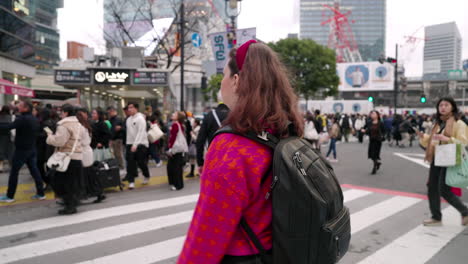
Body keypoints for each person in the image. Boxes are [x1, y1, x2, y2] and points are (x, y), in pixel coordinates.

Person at [178, 40, 304, 263]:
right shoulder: (285, 130)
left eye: (224, 75)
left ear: (236, 80)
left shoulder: (231, 147)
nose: (222, 82)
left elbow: (206, 237)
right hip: (279, 252)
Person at [418, 97, 468, 226]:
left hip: (450, 159)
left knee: (443, 189)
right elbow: (434, 140)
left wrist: (447, 138)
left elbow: (463, 143)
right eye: (441, 105)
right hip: (437, 158)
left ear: (452, 107)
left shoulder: (459, 123)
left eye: (446, 105)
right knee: (432, 188)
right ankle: (436, 217)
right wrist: (424, 137)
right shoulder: (438, 123)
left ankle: (465, 212)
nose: (443, 107)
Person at [0, 101, 45, 203]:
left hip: (22, 150)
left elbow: (8, 127)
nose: (17, 107)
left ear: (25, 108)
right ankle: (41, 193)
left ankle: (9, 196)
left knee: (14, 172)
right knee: (35, 171)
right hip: (32, 148)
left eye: (20, 105)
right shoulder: (34, 118)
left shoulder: (22, 119)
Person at [46, 104, 86, 214]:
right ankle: (72, 204)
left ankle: (69, 206)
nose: (60, 114)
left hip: (66, 158)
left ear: (66, 113)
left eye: (61, 111)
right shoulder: (79, 124)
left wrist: (50, 136)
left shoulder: (63, 125)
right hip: (76, 157)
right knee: (73, 182)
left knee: (62, 182)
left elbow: (59, 142)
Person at [77, 108, 105, 203]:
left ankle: (90, 194)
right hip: (88, 152)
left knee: (86, 176)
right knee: (90, 175)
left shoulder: (80, 127)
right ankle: (98, 193)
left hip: (84, 153)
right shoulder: (87, 125)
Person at [195, 101, 229, 175]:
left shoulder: (209, 116)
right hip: (233, 158)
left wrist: (200, 162)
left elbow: (200, 140)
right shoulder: (236, 115)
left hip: (214, 157)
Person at [125, 102, 150, 189]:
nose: (129, 109)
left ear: (136, 108)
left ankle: (146, 175)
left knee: (141, 162)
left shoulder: (140, 119)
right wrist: (129, 144)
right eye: (128, 108)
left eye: (131, 107)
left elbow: (141, 132)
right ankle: (131, 182)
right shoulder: (128, 120)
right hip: (130, 143)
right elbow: (128, 133)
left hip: (141, 144)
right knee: (130, 163)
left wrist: (135, 144)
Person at [36, 108, 57, 189]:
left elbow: (47, 134)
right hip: (49, 148)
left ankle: (48, 182)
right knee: (49, 166)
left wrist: (36, 134)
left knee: (40, 166)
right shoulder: (52, 122)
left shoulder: (46, 123)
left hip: (44, 149)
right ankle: (50, 183)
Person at [167, 111, 187, 190]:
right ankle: (179, 184)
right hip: (180, 149)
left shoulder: (175, 125)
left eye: (174, 114)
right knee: (178, 167)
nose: (172, 114)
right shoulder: (181, 125)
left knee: (175, 167)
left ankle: (177, 185)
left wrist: (170, 148)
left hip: (176, 148)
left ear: (178, 117)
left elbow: (173, 137)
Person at [0, 105, 13, 172]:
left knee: (1, 151)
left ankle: (1, 166)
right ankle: (11, 165)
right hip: (8, 137)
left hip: (0, 136)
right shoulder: (10, 117)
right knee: (9, 151)